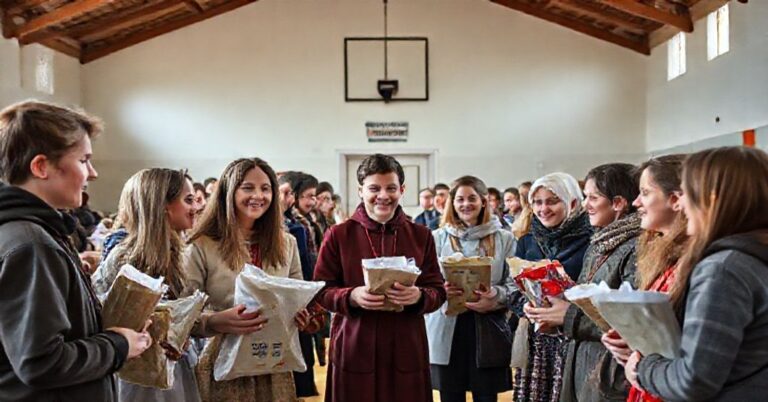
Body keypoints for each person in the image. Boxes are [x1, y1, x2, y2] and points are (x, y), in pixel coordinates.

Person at [0, 100, 151, 401]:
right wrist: (118, 345)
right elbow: (40, 362)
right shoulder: (32, 245)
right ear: (41, 166)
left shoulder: (39, 234)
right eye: (83, 160)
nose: (92, 173)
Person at [625, 147, 768, 401]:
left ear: (711, 199)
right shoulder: (751, 255)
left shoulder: (724, 270)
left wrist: (643, 367)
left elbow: (693, 381)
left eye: (688, 193)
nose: (683, 203)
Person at [313, 153, 446, 402]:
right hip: (355, 342)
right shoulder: (339, 235)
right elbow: (321, 290)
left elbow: (437, 291)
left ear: (402, 190)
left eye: (391, 188)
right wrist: (351, 295)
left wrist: (418, 296)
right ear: (361, 190)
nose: (383, 196)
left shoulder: (421, 235)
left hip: (406, 345)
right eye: (374, 188)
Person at [184, 158, 317, 402]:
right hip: (222, 362)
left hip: (274, 363)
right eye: (248, 187)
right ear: (229, 191)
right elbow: (182, 314)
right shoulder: (202, 244)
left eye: (265, 188)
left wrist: (302, 317)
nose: (258, 195)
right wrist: (214, 321)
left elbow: (298, 297)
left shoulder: (287, 243)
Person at [526, 164, 641, 402]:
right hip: (583, 360)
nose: (585, 204)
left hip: (610, 372)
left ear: (618, 203)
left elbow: (630, 320)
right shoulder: (601, 241)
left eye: (593, 197)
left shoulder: (635, 248)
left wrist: (566, 316)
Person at [91, 168, 202, 402]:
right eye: (188, 200)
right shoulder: (125, 257)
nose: (196, 207)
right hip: (136, 372)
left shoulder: (181, 251)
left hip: (173, 365)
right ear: (162, 205)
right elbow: (107, 316)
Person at [600, 155, 689, 402]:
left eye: (645, 192)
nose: (636, 202)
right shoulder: (662, 253)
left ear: (676, 199)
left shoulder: (700, 262)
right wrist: (629, 339)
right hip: (651, 381)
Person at [426, 176, 517, 402]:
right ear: (452, 203)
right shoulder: (436, 238)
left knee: (486, 396)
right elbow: (424, 282)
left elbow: (515, 284)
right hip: (446, 327)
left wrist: (495, 296)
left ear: (484, 201)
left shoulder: (504, 238)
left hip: (487, 327)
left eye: (472, 198)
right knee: (450, 396)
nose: (466, 204)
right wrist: (440, 290)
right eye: (460, 199)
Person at [508, 172, 593, 402]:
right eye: (537, 202)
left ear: (573, 202)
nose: (543, 208)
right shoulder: (528, 240)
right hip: (537, 340)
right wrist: (525, 306)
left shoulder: (591, 239)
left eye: (552, 201)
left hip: (574, 336)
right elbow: (513, 287)